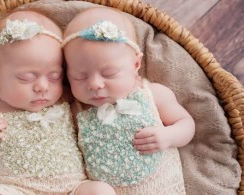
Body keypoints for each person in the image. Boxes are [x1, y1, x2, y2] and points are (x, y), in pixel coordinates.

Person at [0, 10, 97, 195]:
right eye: (26, 78)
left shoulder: (66, 102)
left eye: (55, 77)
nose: (42, 87)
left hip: (73, 188)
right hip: (15, 190)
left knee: (99, 190)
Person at [62, 7, 195, 194]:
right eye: (79, 77)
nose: (95, 84)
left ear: (136, 65)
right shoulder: (76, 111)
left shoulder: (152, 95)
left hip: (159, 185)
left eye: (109, 73)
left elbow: (187, 124)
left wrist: (169, 135)